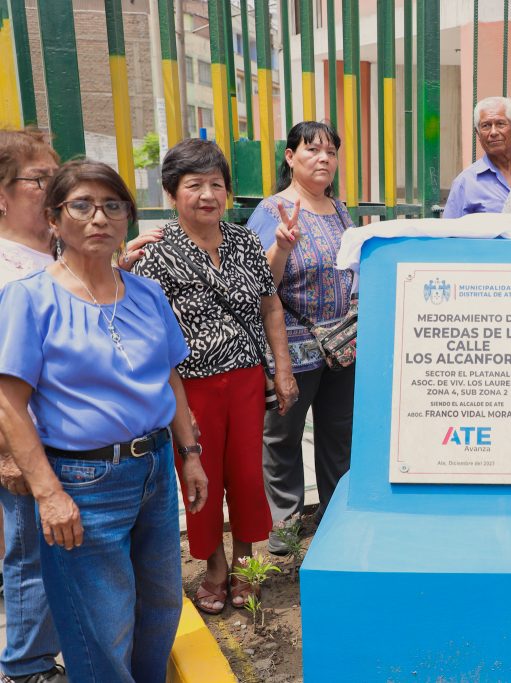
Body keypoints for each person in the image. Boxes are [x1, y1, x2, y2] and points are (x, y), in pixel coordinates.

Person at [0, 159, 208, 683]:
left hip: (154, 469)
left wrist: (190, 454)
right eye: (82, 205)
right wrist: (48, 493)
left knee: (160, 606)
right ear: (54, 218)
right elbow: (8, 402)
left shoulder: (146, 293)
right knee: (101, 624)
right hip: (83, 484)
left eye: (113, 206)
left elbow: (170, 378)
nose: (99, 218)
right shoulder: (29, 298)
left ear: (128, 218)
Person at [134, 139, 299, 614]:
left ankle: (246, 561)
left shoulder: (246, 240)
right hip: (190, 385)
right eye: (194, 185)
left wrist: (281, 371)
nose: (208, 194)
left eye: (216, 184)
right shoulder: (156, 252)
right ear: (171, 193)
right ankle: (214, 566)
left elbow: (271, 306)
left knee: (247, 474)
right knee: (200, 474)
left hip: (247, 380)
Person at [246, 121, 356, 547]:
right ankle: (285, 525)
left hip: (341, 346)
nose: (323, 158)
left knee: (337, 435)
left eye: (330, 151)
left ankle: (335, 517)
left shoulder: (340, 210)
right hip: (291, 345)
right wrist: (283, 246)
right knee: (282, 436)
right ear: (291, 157)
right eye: (312, 150)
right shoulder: (271, 211)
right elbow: (261, 285)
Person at [0, 130, 64, 683]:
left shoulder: (58, 253)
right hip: (27, 444)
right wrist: (8, 455)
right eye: (38, 179)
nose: (52, 188)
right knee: (32, 561)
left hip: (78, 441)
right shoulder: (5, 269)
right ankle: (25, 668)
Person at [442, 96, 511, 218]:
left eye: (500, 124)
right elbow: (451, 231)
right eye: (486, 126)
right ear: (477, 133)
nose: (493, 132)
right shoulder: (466, 182)